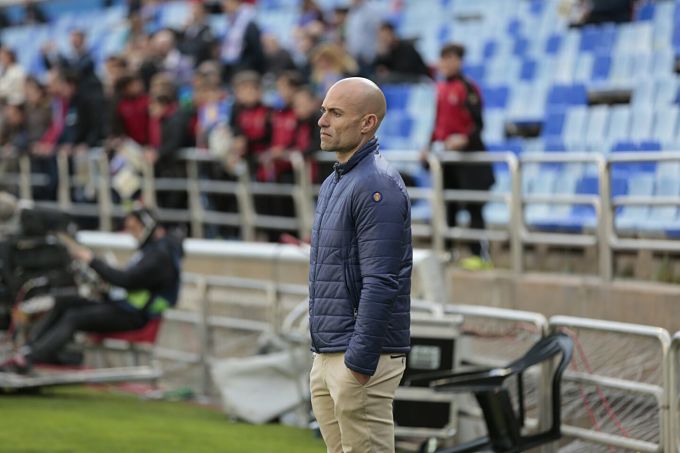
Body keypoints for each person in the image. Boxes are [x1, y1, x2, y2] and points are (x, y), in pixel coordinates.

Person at [309, 77, 412, 453]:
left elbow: (381, 281)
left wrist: (359, 361)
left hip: (358, 357)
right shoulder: (336, 182)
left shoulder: (376, 185)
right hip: (330, 352)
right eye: (324, 111)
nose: (322, 121)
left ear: (367, 123)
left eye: (336, 113)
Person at [0, 206, 183, 374]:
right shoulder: (154, 250)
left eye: (134, 228)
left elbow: (127, 280)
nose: (131, 234)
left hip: (135, 316)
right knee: (63, 301)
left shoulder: (160, 255)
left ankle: (29, 359)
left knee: (75, 317)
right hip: (123, 307)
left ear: (146, 225)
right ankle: (31, 350)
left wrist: (91, 260)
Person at [423, 43, 494, 270]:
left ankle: (480, 255)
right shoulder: (441, 88)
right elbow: (438, 123)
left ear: (459, 61)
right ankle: (448, 251)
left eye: (451, 58)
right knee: (448, 203)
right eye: (443, 58)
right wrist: (428, 146)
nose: (446, 63)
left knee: (474, 206)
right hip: (447, 158)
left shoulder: (468, 88)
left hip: (469, 159)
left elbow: (478, 125)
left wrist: (464, 139)